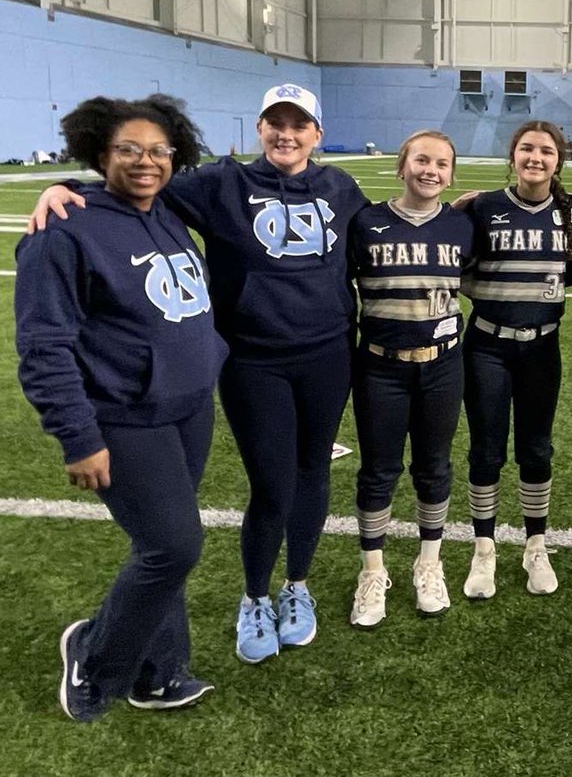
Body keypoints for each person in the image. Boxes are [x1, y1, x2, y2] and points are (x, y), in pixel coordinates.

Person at [30, 83, 370, 665]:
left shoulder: (341, 187)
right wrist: (67, 187)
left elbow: (381, 235)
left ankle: (299, 588)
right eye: (275, 123)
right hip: (252, 359)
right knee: (272, 484)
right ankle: (255, 597)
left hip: (328, 353)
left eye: (299, 124)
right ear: (260, 129)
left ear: (317, 133)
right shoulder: (220, 183)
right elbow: (142, 188)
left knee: (314, 472)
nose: (286, 134)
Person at [17, 95, 226, 721]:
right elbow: (42, 345)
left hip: (188, 407)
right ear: (99, 152)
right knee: (173, 546)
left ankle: (159, 673)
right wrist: (78, 437)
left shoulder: (164, 212)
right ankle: (95, 652)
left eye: (159, 150)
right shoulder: (63, 230)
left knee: (166, 543)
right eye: (128, 149)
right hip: (124, 416)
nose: (145, 161)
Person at [347, 131, 473, 626]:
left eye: (442, 163)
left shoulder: (462, 226)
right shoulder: (367, 222)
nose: (431, 170)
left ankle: (429, 563)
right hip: (381, 365)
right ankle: (372, 571)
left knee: (434, 467)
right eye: (421, 159)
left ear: (450, 173)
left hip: (443, 364)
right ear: (402, 165)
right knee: (379, 470)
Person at [456, 122, 572, 601]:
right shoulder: (483, 207)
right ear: (513, 156)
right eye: (527, 148)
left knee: (537, 449)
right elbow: (450, 257)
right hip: (488, 345)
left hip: (541, 348)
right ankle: (484, 548)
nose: (536, 157)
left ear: (558, 161)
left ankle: (536, 544)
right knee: (487, 449)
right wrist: (451, 211)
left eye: (546, 151)